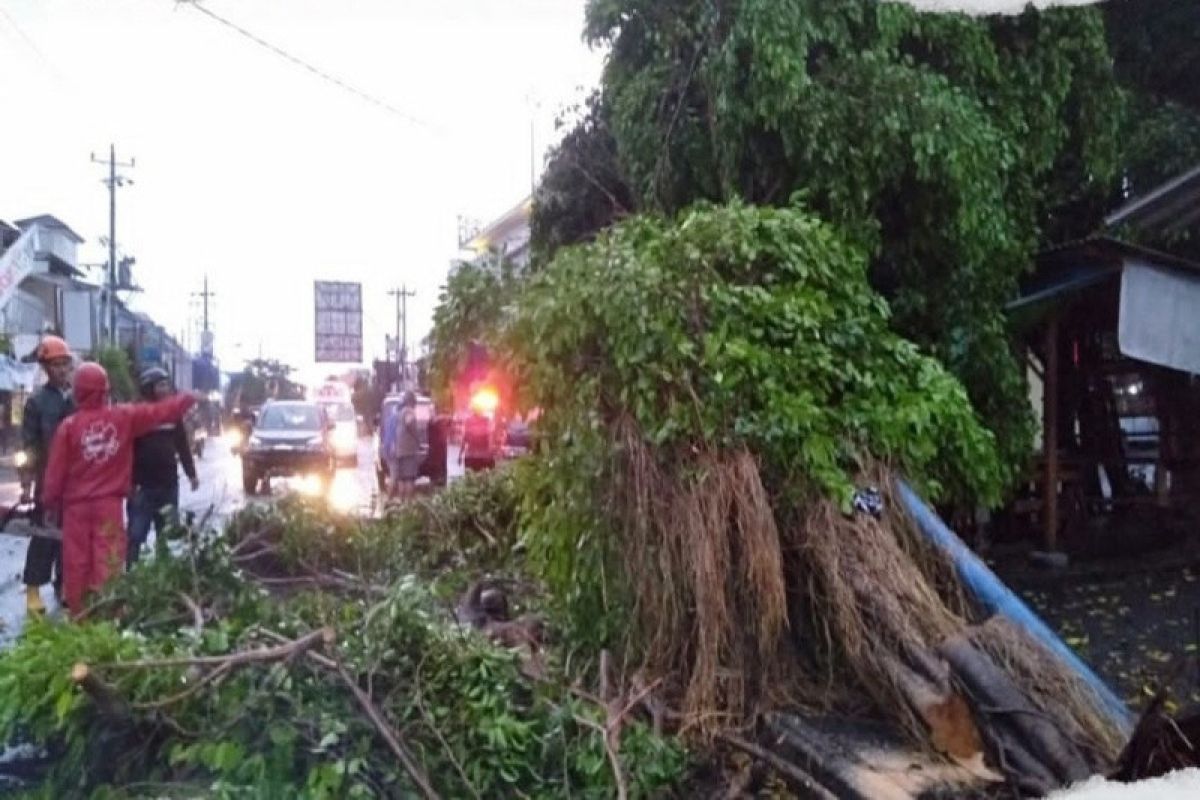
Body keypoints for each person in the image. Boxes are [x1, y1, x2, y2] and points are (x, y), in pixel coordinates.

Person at [41, 362, 196, 617]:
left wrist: (49, 503)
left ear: (77, 391)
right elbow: (159, 412)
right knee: (108, 560)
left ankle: (80, 616)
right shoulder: (123, 417)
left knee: (76, 562)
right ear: (105, 390)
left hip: (75, 509)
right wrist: (186, 399)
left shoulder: (68, 428)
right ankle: (108, 614)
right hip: (108, 506)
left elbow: (54, 474)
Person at [18, 335, 75, 615]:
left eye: (65, 364)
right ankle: (32, 589)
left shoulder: (79, 398)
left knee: (70, 538)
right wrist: (27, 483)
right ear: (45, 367)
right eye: (55, 364)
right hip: (47, 481)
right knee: (44, 537)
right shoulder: (37, 403)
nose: (61, 369)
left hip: (76, 483)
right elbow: (29, 446)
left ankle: (64, 585)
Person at [127, 367, 199, 568]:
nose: (166, 389)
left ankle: (164, 571)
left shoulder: (172, 415)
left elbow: (182, 445)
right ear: (149, 388)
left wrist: (191, 474)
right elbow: (127, 451)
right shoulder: (138, 414)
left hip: (168, 483)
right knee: (136, 534)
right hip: (143, 486)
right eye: (161, 385)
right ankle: (131, 572)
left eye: (167, 384)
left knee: (167, 534)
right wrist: (129, 483)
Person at [382, 391, 421, 499]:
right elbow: (409, 423)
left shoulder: (399, 413)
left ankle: (401, 503)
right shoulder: (409, 411)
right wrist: (417, 438)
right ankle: (408, 505)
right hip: (408, 450)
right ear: (412, 401)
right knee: (409, 478)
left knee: (402, 478)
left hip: (399, 449)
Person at [460, 408, 496, 473]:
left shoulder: (469, 422)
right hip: (483, 456)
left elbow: (464, 439)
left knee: (470, 479)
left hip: (471, 456)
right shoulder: (485, 421)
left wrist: (460, 455)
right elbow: (490, 441)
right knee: (483, 479)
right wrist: (491, 454)